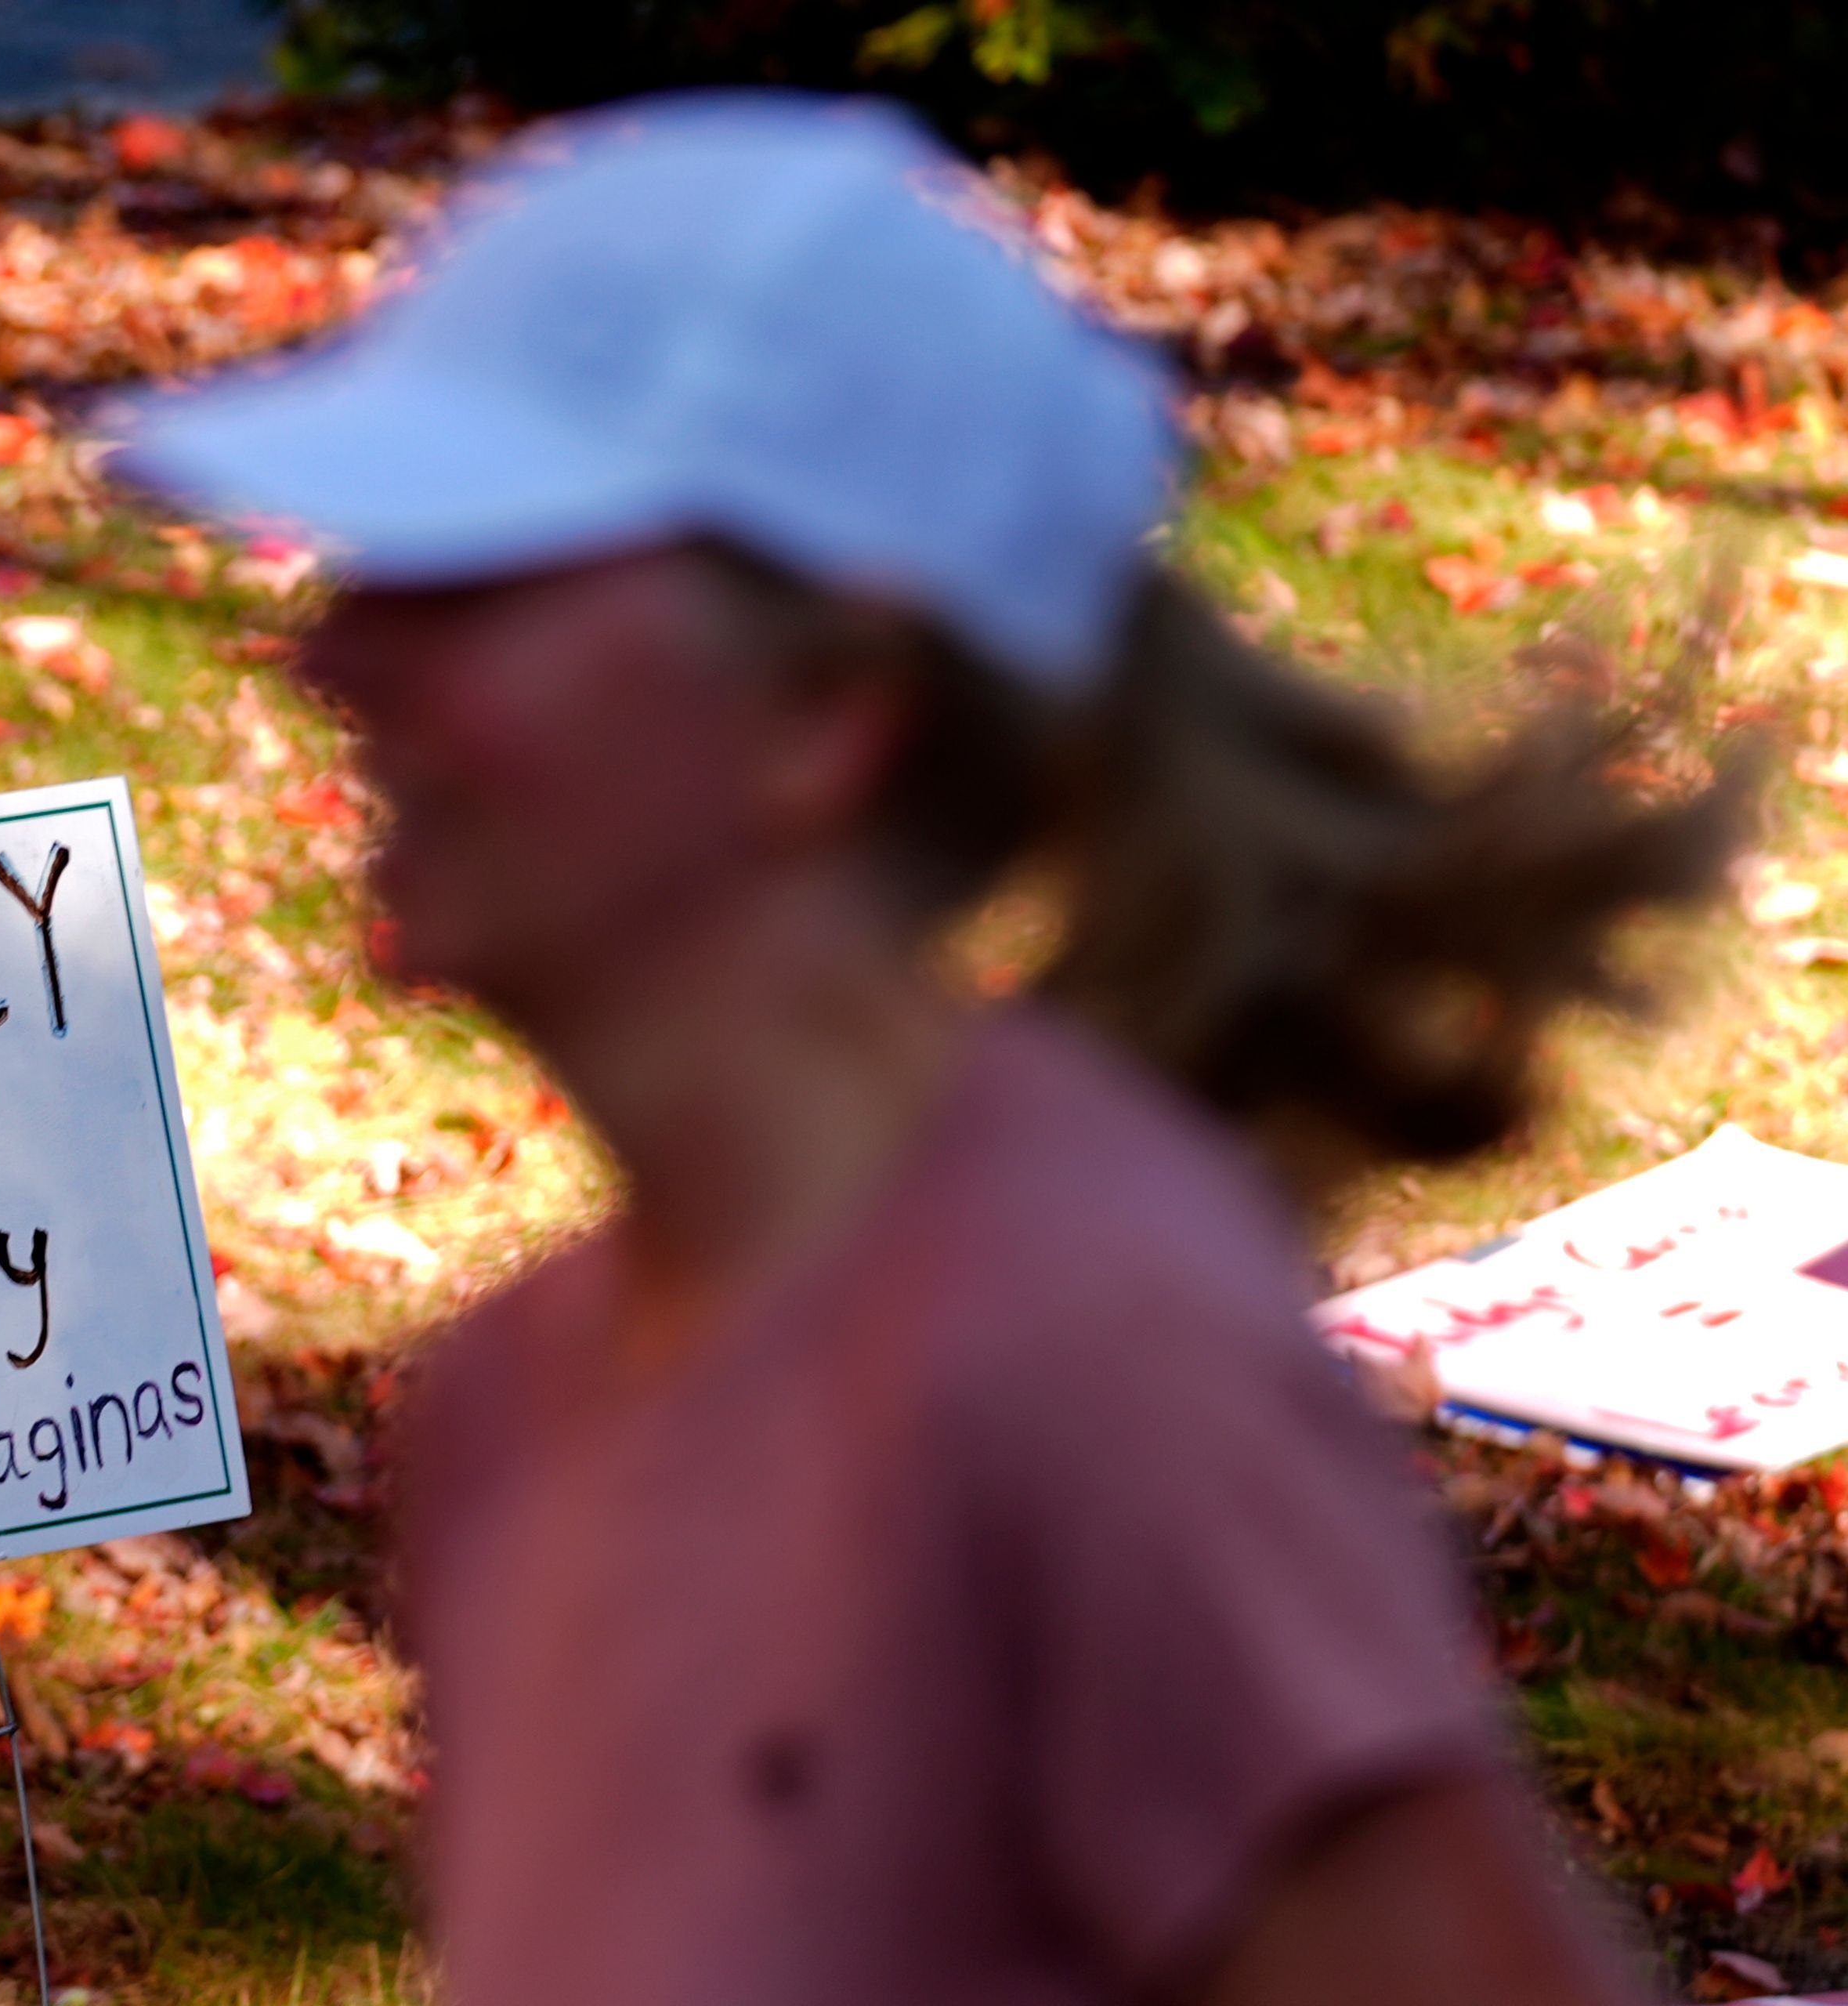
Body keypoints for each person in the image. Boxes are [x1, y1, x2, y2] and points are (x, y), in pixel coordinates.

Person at [123, 95, 1731, 2005]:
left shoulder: (1085, 1352)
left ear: (827, 704)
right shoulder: (510, 1404)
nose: (336, 661)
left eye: (468, 582)